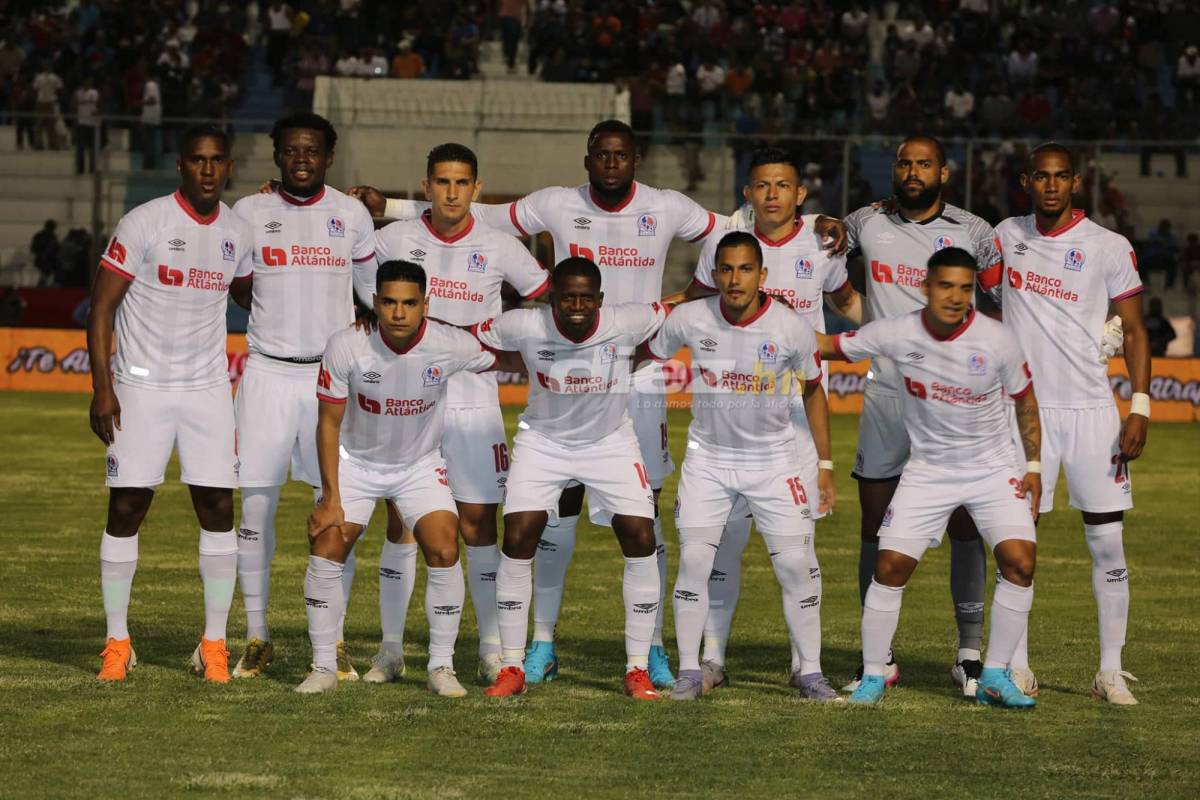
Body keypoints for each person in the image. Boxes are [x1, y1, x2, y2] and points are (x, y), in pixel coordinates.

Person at [349, 120, 847, 689]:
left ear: (637, 159)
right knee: (552, 519)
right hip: (565, 364)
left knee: (643, 521)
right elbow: (473, 213)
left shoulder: (665, 206)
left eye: (622, 155)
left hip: (638, 375)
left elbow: (741, 222)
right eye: (602, 155)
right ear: (588, 159)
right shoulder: (557, 204)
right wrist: (389, 205)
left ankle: (653, 652)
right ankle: (540, 643)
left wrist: (814, 225)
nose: (612, 164)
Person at [667, 146, 862, 693]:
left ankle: (807, 667)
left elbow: (848, 300)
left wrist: (899, 332)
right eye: (762, 185)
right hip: (723, 424)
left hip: (790, 425)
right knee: (717, 552)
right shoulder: (726, 246)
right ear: (748, 194)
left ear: (799, 194)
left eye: (783, 185)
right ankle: (710, 659)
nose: (772, 194)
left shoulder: (823, 241)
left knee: (798, 556)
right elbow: (693, 304)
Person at [820, 246, 1043, 708]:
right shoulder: (897, 332)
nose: (957, 296)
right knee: (889, 567)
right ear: (926, 288)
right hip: (929, 470)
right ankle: (875, 676)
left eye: (966, 287)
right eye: (946, 286)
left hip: (992, 468)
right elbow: (829, 347)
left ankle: (997, 674)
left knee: (1020, 562)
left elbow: (1024, 399)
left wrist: (1033, 466)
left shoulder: (997, 339)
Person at [367, 143, 550, 685]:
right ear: (426, 186)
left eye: (461, 183)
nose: (451, 192)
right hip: (409, 398)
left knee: (478, 523)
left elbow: (546, 297)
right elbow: (349, 270)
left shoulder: (499, 246)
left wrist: (512, 344)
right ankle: (391, 649)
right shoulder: (394, 239)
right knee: (400, 520)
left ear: (476, 187)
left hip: (474, 398)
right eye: (441, 182)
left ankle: (491, 648)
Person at [87, 125, 254, 683]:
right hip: (140, 387)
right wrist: (102, 385)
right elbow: (102, 306)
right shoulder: (145, 221)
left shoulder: (237, 230)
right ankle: (117, 642)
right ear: (181, 165)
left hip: (207, 389)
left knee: (218, 510)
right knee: (128, 507)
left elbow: (255, 294)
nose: (208, 170)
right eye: (198, 160)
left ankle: (212, 644)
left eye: (218, 161)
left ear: (229, 168)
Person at [296, 260, 510, 696]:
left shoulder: (450, 344)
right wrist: (330, 497)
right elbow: (328, 425)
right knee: (328, 543)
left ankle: (441, 666)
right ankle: (322, 666)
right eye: (389, 302)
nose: (398, 313)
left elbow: (504, 353)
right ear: (374, 302)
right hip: (356, 462)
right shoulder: (346, 346)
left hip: (419, 466)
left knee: (445, 546)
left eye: (410, 304)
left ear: (425, 306)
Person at [841, 135, 1005, 698]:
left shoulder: (975, 232)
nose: (913, 172)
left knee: (964, 521)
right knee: (874, 522)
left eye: (924, 164)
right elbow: (819, 259)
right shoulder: (864, 222)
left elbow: (1004, 302)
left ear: (944, 171)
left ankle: (968, 653)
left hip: (954, 398)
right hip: (887, 395)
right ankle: (877, 658)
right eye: (905, 163)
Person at [645, 231, 837, 701]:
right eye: (726, 269)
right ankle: (691, 670)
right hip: (708, 462)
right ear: (714, 275)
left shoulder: (790, 327)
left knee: (796, 563)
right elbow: (647, 356)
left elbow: (813, 389)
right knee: (694, 559)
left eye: (745, 269)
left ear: (762, 275)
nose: (735, 279)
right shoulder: (690, 317)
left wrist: (826, 464)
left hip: (775, 462)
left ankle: (808, 671)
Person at [995, 143, 1150, 704]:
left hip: (1092, 415)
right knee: (1017, 543)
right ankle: (1016, 665)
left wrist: (1140, 405)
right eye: (1042, 176)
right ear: (1026, 181)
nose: (1052, 185)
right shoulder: (1003, 236)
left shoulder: (1109, 246)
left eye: (1062, 177)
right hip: (1025, 416)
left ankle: (1109, 670)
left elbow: (1133, 330)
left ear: (1077, 183)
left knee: (1107, 542)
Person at [473, 257, 668, 700]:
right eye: (567, 298)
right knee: (519, 535)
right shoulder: (525, 325)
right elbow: (468, 335)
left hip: (610, 442)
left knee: (640, 534)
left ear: (601, 300)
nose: (577, 306)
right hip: (543, 441)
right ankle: (511, 665)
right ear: (551, 301)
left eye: (586, 298)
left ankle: (637, 667)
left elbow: (677, 311)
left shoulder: (627, 320)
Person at [227, 112, 378, 680]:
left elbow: (374, 292)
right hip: (266, 373)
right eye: (291, 150)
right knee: (256, 509)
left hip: (330, 381)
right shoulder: (250, 212)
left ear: (329, 157)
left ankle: (333, 642)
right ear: (276, 155)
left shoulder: (350, 214)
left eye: (312, 150)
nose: (301, 158)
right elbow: (238, 282)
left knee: (337, 511)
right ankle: (257, 635)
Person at [73, 76, 100, 174]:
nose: (88, 82)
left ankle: (92, 168)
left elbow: (96, 105)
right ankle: (80, 168)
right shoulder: (78, 93)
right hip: (81, 122)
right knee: (80, 147)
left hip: (92, 123)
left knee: (92, 148)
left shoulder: (94, 92)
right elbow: (75, 104)